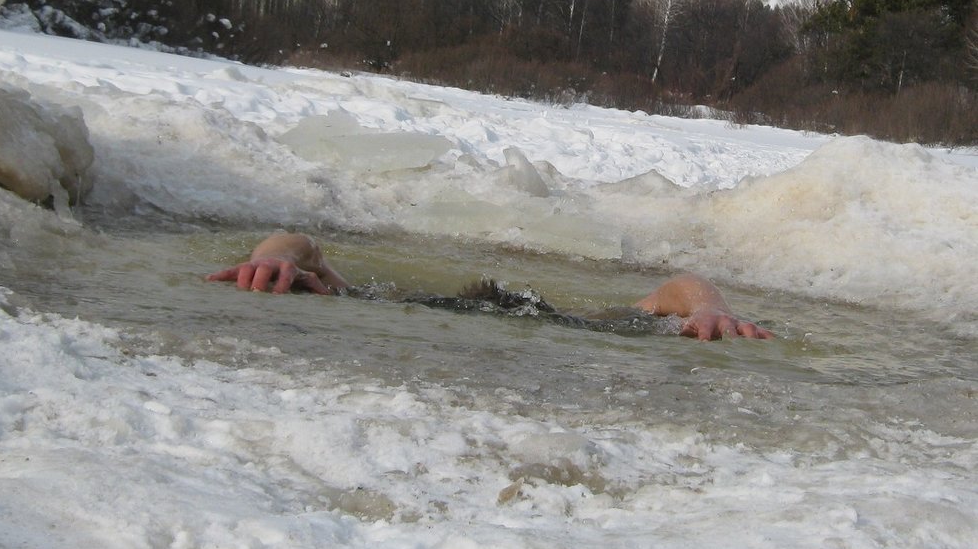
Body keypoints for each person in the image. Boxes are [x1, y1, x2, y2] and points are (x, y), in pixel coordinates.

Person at [206, 232, 774, 341]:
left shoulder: (586, 323)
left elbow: (680, 286)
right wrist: (278, 259)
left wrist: (709, 309)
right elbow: (303, 243)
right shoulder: (377, 301)